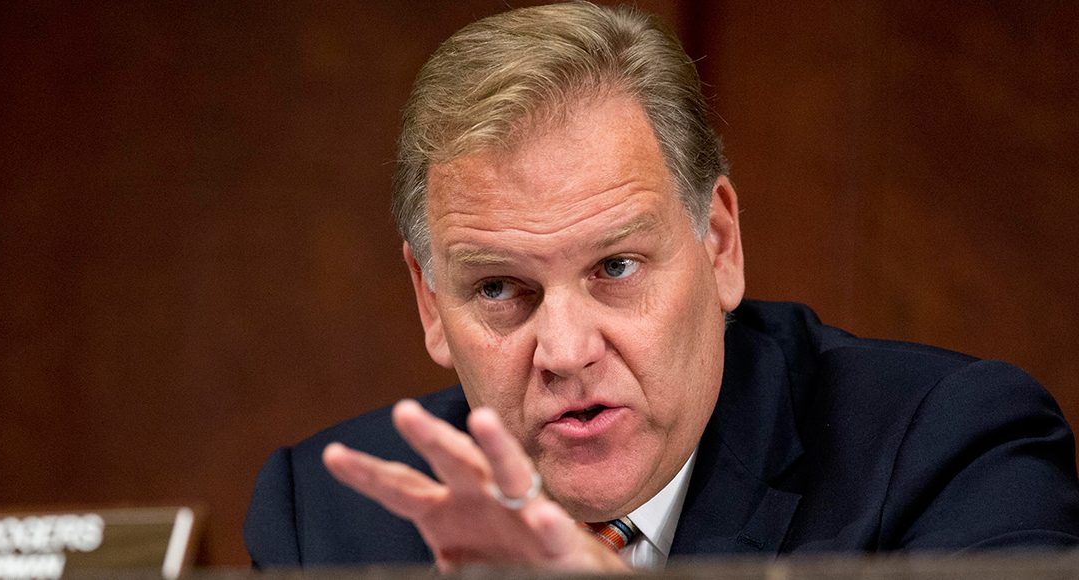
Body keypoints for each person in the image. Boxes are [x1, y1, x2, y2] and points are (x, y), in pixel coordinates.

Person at [244, 2, 1079, 572]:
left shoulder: (948, 451)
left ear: (718, 244)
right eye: (502, 290)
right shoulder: (327, 516)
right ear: (431, 301)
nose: (566, 354)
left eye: (614, 268)